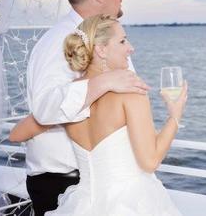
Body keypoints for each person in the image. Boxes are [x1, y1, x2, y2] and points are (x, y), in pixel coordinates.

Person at [11, 15, 186, 215]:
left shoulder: (70, 98)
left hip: (83, 205)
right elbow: (150, 162)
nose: (131, 48)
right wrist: (175, 116)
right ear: (101, 50)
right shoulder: (131, 92)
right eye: (122, 41)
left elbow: (16, 134)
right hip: (132, 203)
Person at [22, 0, 150, 216]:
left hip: (106, 180)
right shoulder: (59, 42)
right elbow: (45, 108)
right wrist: (104, 82)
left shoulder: (104, 37)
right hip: (66, 183)